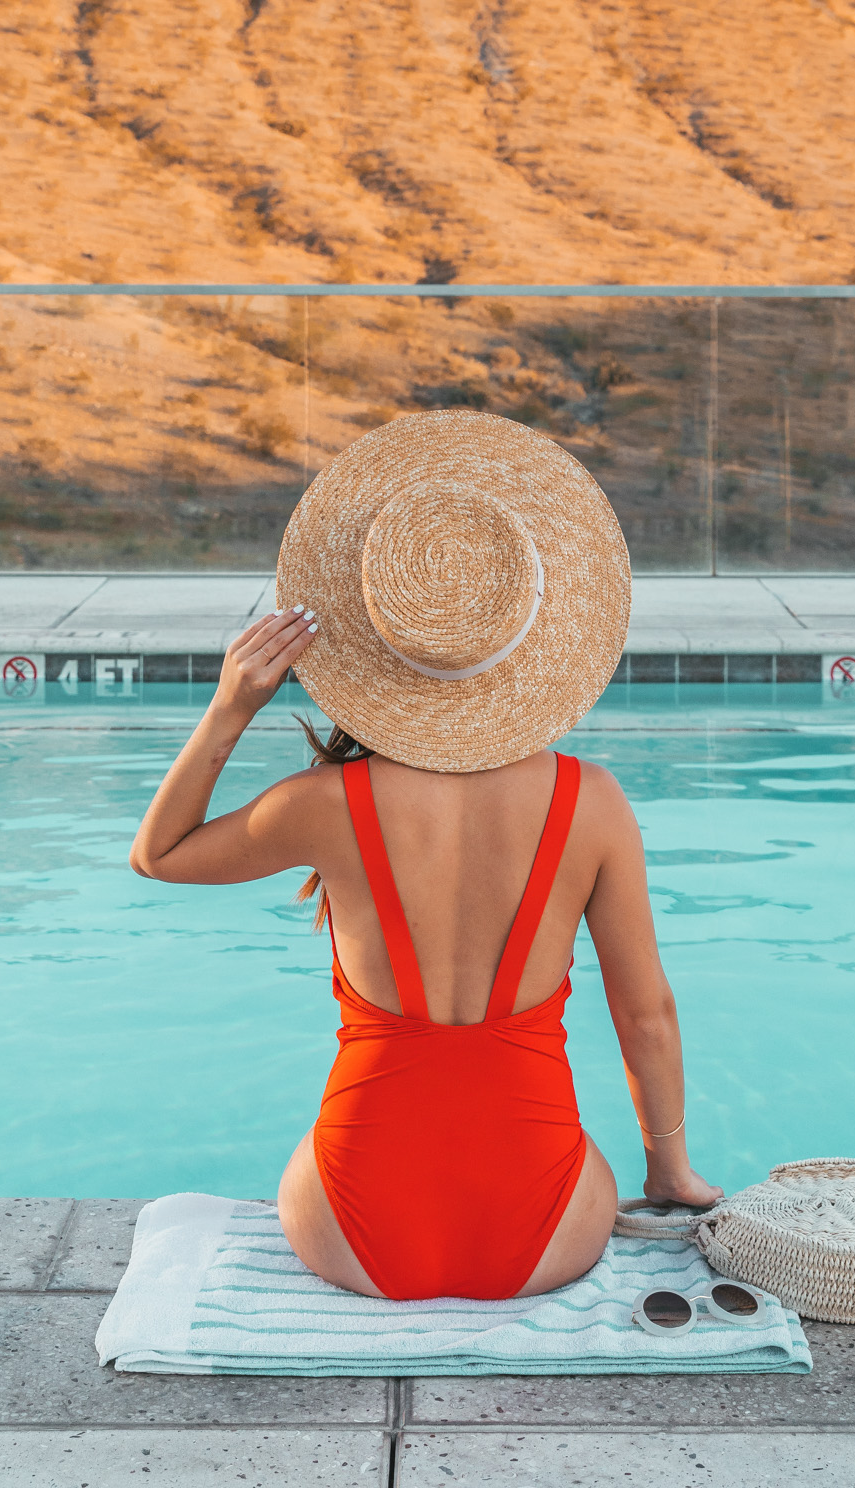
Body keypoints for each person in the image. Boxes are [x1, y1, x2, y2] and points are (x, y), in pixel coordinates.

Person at [130, 410, 721, 1300]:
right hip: (544, 1230)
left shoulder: (323, 806)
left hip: (351, 1230)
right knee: (567, 1139)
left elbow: (159, 854)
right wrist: (669, 1173)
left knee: (326, 1137)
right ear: (533, 636)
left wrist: (229, 706)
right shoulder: (591, 806)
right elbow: (647, 1018)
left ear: (371, 641)